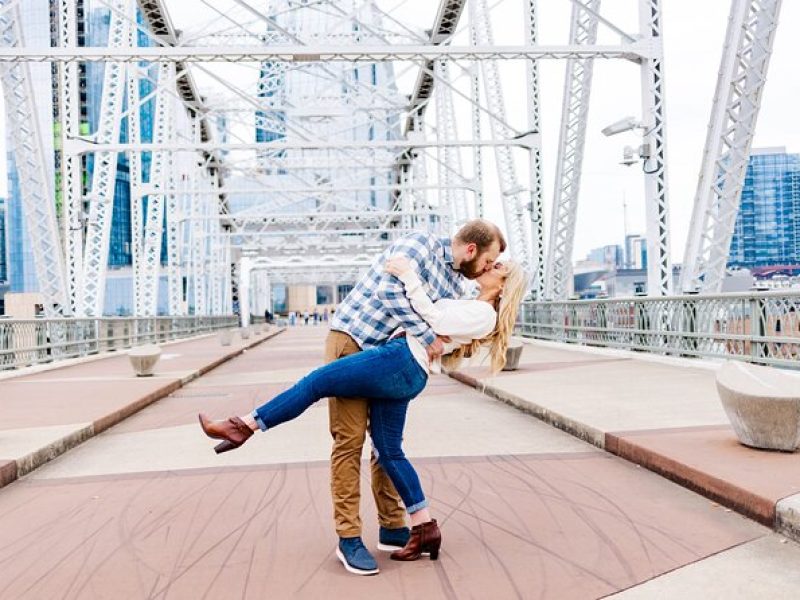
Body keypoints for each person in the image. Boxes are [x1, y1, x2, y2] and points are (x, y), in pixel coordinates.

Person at [199, 255, 527, 572]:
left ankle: (244, 425)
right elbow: (433, 319)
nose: (490, 266)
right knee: (389, 451)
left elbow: (435, 320)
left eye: (499, 267)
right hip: (409, 368)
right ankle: (422, 526)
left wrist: (408, 276)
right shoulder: (474, 304)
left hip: (401, 360)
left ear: (505, 284)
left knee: (316, 382)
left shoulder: (485, 314)